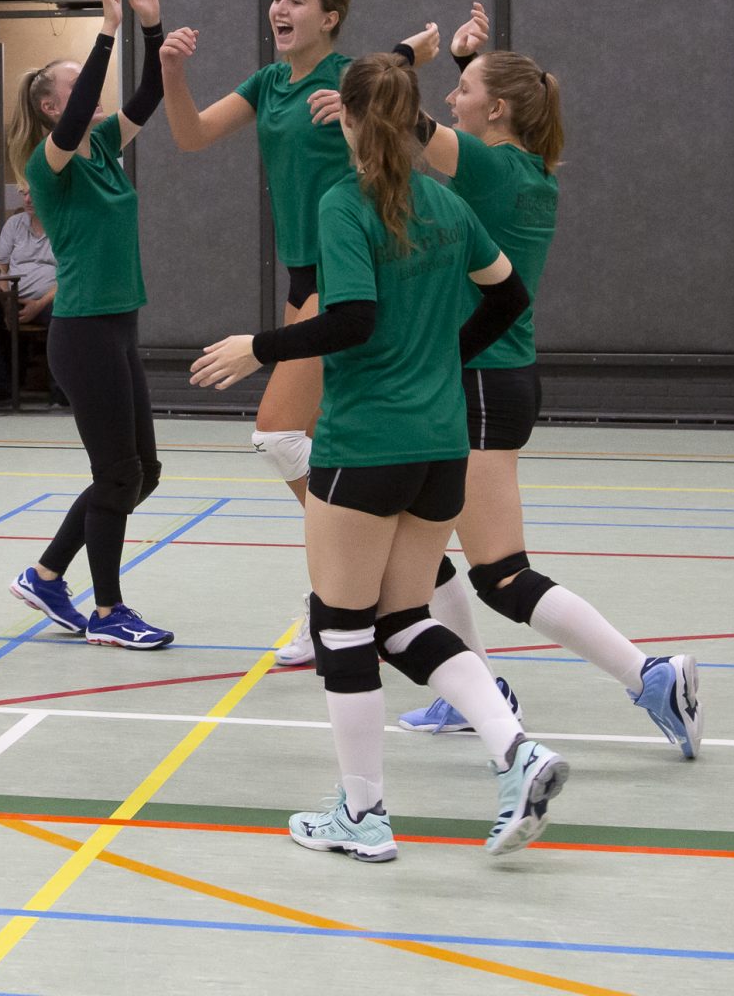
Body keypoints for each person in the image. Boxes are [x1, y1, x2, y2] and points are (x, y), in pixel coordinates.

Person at [191, 51, 563, 861]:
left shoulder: (346, 202)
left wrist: (258, 346)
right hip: (440, 448)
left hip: (367, 442)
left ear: (352, 121)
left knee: (341, 624)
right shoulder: (445, 202)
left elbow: (351, 319)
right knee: (402, 620)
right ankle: (515, 747)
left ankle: (363, 815)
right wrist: (445, 357)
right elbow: (510, 296)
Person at [368, 5, 701, 755]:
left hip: (481, 384)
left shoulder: (489, 167)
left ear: (500, 107)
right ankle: (472, 687)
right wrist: (465, 68)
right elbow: (477, 136)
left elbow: (387, 111)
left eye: (466, 92)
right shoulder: (527, 170)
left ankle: (647, 675)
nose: (453, 100)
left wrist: (409, 58)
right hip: (484, 381)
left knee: (502, 575)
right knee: (422, 542)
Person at [161, 0, 437, 666]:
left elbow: (392, 96)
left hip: (351, 270)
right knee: (326, 447)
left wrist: (410, 57)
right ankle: (346, 601)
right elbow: (191, 136)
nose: (279, 8)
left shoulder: (350, 81)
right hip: (302, 274)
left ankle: (360, 579)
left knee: (279, 436)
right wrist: (171, 71)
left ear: (330, 16)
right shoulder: (267, 83)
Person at [5, 0, 180, 649]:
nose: (87, 96)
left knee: (144, 471)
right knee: (117, 473)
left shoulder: (104, 148)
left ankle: (48, 575)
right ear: (51, 108)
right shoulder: (48, 165)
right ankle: (107, 613)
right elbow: (82, 117)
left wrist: (150, 23)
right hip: (80, 333)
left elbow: (147, 93)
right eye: (73, 86)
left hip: (118, 327)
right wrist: (105, 29)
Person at [0, 184, 62, 406]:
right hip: (12, 297)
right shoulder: (14, 224)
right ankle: (1, 389)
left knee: (63, 317)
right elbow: (0, 267)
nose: (27, 200)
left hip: (50, 298)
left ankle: (61, 394)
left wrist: (38, 305)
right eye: (24, 194)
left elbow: (70, 274)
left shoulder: (62, 224)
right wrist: (7, 302)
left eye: (34, 193)